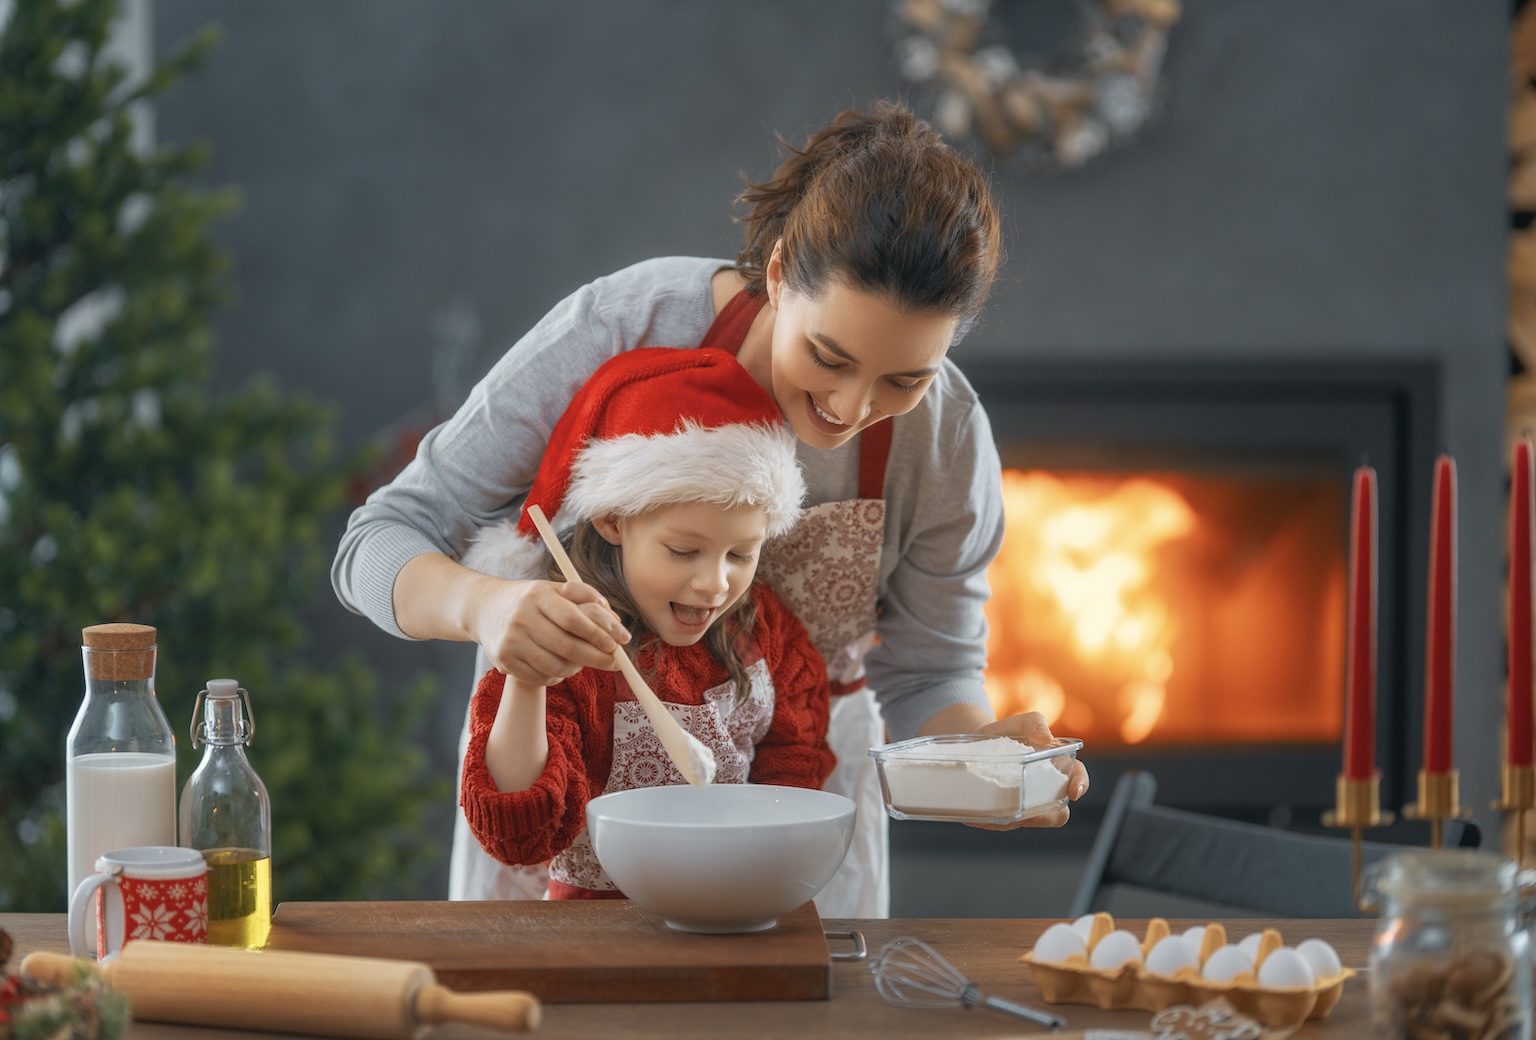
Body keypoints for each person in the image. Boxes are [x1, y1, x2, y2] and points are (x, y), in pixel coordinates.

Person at [332, 99, 1090, 917]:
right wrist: (486, 607)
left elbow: (929, 670)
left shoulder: (945, 439)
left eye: (903, 380)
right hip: (557, 810)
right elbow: (375, 543)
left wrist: (979, 761)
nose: (847, 406)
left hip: (801, 820)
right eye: (828, 356)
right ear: (776, 275)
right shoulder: (630, 323)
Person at [456, 347, 835, 897]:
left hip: (735, 915)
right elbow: (521, 835)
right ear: (613, 520)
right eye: (683, 551)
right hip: (592, 942)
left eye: (741, 554)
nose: (715, 584)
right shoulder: (570, 643)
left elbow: (794, 770)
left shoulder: (766, 636)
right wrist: (530, 677)